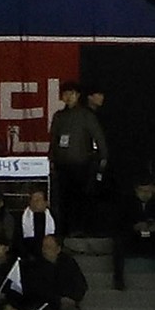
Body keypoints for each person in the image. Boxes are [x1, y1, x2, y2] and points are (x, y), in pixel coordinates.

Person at [48, 82, 108, 234]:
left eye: (71, 93)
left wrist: (103, 158)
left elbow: (99, 137)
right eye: (65, 94)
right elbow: (54, 139)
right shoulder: (59, 116)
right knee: (63, 200)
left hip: (81, 164)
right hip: (63, 165)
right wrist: (52, 159)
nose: (68, 97)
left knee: (81, 199)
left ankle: (81, 229)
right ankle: (65, 230)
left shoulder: (86, 115)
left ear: (78, 95)